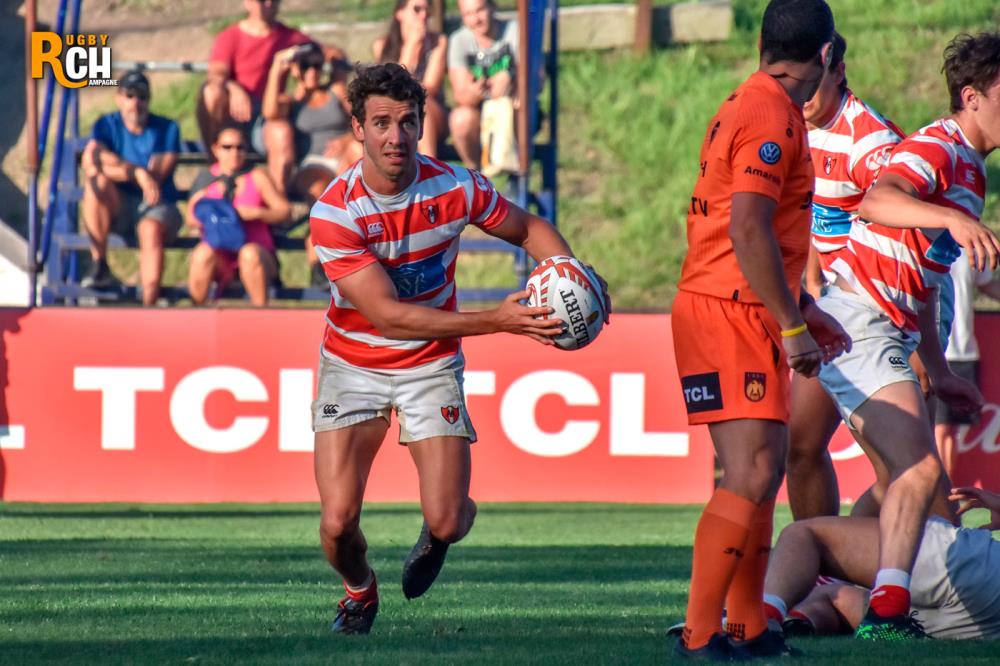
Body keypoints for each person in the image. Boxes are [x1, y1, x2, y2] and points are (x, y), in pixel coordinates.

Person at [307, 63, 609, 635]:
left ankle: (440, 524)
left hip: (430, 362)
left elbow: (528, 229)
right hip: (353, 363)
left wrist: (572, 276)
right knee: (337, 523)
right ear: (358, 128)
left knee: (447, 520)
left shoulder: (456, 187)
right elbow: (388, 317)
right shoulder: (336, 212)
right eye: (381, 123)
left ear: (422, 125)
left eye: (407, 122)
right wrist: (496, 320)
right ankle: (359, 590)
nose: (395, 136)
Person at [670, 0, 850, 659]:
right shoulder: (770, 114)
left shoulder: (759, 103)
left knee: (764, 470)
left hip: (741, 304)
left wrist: (801, 307)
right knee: (749, 470)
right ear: (825, 54)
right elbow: (746, 228)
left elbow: (754, 229)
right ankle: (699, 634)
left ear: (763, 45)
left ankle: (747, 626)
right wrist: (792, 325)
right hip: (729, 308)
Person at [816, 31, 1000, 640]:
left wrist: (938, 369)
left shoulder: (972, 173)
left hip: (873, 326)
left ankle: (789, 597)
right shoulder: (939, 145)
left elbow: (922, 281)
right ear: (972, 97)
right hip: (860, 320)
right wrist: (950, 218)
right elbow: (876, 201)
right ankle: (885, 611)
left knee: (893, 482)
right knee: (918, 472)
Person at [786, 32, 907, 520]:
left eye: (813, 79)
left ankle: (858, 550)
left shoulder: (870, 142)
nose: (803, 92)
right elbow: (815, 215)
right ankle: (820, 557)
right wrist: (814, 281)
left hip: (882, 313)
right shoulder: (796, 128)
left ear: (837, 71)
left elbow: (909, 234)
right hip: (834, 306)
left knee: (902, 472)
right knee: (800, 446)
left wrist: (919, 339)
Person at [762, 485, 1000, 640]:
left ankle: (759, 624)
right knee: (833, 595)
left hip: (978, 572)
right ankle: (797, 622)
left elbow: (909, 470)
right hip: (984, 621)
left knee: (803, 534)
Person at [80, 70, 183, 306]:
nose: (135, 103)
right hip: (119, 205)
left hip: (157, 203)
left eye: (142, 97)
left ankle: (149, 304)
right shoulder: (106, 125)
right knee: (95, 182)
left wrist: (116, 167)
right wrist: (136, 172)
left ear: (149, 100)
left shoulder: (167, 129)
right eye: (129, 96)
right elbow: (92, 160)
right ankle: (99, 264)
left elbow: (157, 176)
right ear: (118, 98)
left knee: (150, 228)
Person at [197, 0, 310, 180]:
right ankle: (216, 169)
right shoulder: (230, 36)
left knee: (281, 132)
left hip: (266, 116)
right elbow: (216, 75)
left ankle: (278, 193)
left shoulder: (290, 37)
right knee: (212, 92)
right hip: (232, 115)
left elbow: (324, 52)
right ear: (248, 3)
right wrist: (233, 86)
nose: (269, 4)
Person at [186, 125, 291, 306]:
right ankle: (195, 313)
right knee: (202, 254)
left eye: (240, 147)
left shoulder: (257, 176)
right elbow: (191, 218)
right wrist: (218, 215)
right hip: (220, 254)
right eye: (227, 147)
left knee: (249, 254)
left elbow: (284, 211)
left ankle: (261, 315)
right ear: (216, 149)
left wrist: (257, 213)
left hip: (256, 252)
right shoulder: (206, 180)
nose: (234, 153)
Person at [934, 250, 1000, 476]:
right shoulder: (923, 241)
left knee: (951, 431)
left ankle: (944, 491)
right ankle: (935, 491)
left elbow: (987, 284)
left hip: (964, 350)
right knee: (939, 428)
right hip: (934, 352)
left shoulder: (969, 248)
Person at [447, 0, 518, 169]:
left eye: (479, 11)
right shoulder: (458, 40)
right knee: (460, 119)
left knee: (521, 106)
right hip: (478, 110)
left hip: (511, 106)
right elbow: (461, 94)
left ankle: (517, 174)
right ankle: (475, 173)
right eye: (468, 14)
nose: (475, 20)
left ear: (492, 7)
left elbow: (536, 74)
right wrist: (476, 92)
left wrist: (510, 75)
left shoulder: (514, 31)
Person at [373, 0, 448, 157]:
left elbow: (430, 88)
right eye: (417, 9)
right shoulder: (382, 45)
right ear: (400, 13)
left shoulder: (438, 42)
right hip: (395, 110)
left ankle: (428, 163)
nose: (424, 15)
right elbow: (388, 87)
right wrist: (410, 48)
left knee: (420, 104)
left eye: (427, 10)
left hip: (433, 112)